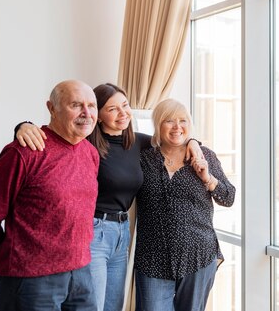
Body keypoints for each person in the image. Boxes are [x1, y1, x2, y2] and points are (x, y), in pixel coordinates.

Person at [14, 83, 204, 311]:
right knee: (90, 305)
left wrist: (194, 142)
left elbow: (174, 138)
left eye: (125, 105)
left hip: (122, 233)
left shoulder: (139, 143)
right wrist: (22, 126)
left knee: (113, 305)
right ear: (98, 115)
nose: (122, 113)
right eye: (112, 109)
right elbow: (52, 140)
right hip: (92, 232)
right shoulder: (84, 144)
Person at [0, 80, 100, 310]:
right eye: (76, 105)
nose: (87, 113)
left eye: (92, 105)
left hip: (81, 275)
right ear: (52, 108)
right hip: (31, 280)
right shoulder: (24, 153)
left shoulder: (90, 153)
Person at [135, 98, 235, 311]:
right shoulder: (144, 158)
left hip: (197, 256)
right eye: (169, 121)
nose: (177, 127)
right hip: (152, 258)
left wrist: (208, 177)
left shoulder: (204, 156)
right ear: (158, 125)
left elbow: (228, 197)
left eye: (183, 121)